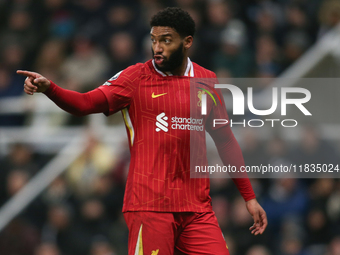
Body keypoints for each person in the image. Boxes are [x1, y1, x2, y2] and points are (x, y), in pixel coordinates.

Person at [18, 7, 267, 255]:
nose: (157, 47)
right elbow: (85, 104)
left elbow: (225, 142)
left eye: (166, 40)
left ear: (187, 42)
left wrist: (249, 197)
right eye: (154, 40)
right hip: (150, 205)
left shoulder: (207, 81)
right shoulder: (135, 78)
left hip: (196, 208)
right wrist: (50, 88)